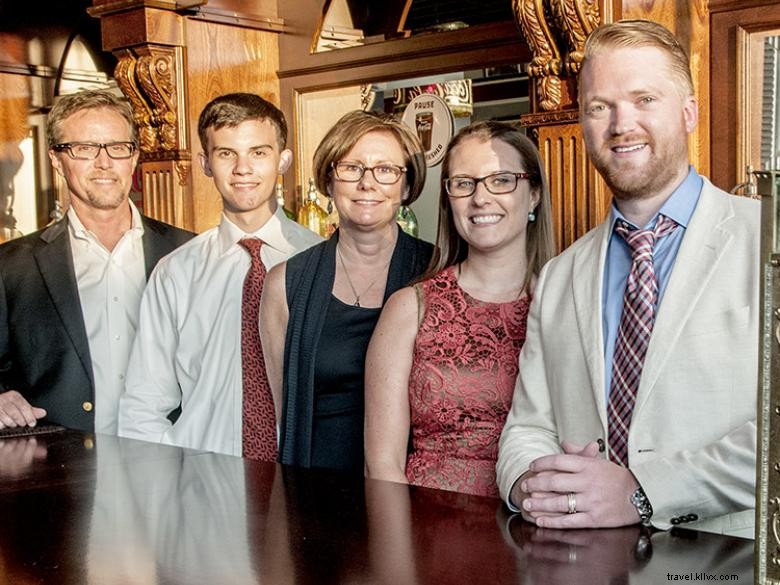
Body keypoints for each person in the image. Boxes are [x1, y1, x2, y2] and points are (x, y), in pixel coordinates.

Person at [496, 19, 759, 537]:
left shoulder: (766, 242)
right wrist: (531, 483)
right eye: (600, 107)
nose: (621, 124)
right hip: (583, 562)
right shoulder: (559, 276)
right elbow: (527, 426)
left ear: (689, 112)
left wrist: (644, 491)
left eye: (644, 99)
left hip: (725, 562)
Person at [118, 93, 321, 457]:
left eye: (259, 152)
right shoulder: (176, 274)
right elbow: (143, 406)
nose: (243, 168)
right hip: (202, 484)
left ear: (284, 160)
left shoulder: (320, 261)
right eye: (226, 153)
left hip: (305, 481)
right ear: (205, 163)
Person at [364, 121, 555, 497]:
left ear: (533, 194)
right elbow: (382, 466)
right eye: (464, 183)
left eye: (501, 180)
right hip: (429, 531)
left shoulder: (565, 304)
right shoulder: (410, 308)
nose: (480, 198)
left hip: (538, 528)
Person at [0, 89, 193, 433]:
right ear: (57, 160)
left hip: (171, 463)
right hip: (63, 471)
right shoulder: (12, 268)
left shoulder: (188, 252)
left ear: (133, 158)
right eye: (85, 149)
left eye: (118, 148)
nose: (104, 162)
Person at [260, 110, 433, 472]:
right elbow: (283, 409)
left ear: (405, 187)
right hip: (316, 498)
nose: (367, 183)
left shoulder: (436, 273)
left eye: (385, 170)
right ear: (329, 180)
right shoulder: (286, 284)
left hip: (413, 491)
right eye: (352, 168)